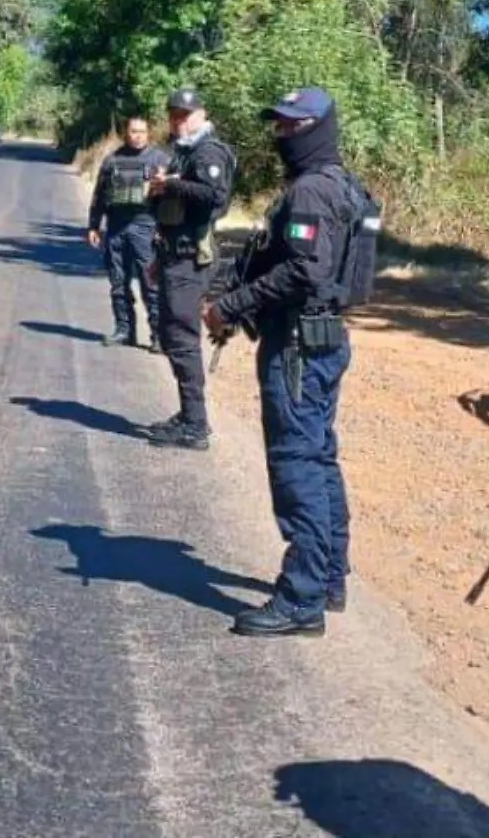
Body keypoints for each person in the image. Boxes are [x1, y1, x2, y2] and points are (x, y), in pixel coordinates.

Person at [205, 87, 377, 638]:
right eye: (278, 125)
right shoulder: (340, 184)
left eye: (293, 126)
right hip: (320, 341)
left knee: (297, 463)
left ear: (318, 128)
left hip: (300, 346)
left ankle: (302, 597)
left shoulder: (310, 192)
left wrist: (231, 305)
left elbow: (305, 271)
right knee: (319, 457)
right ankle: (328, 577)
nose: (282, 135)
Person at [144, 87, 237, 451]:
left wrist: (172, 185)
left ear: (201, 114)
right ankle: (187, 415)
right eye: (173, 115)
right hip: (172, 256)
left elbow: (216, 197)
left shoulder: (208, 152)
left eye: (184, 115)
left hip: (189, 261)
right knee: (171, 335)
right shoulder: (183, 153)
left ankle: (196, 425)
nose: (178, 121)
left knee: (181, 338)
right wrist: (157, 257)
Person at [87, 116, 171, 351]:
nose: (137, 136)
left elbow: (171, 199)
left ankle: (157, 335)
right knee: (118, 282)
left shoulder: (160, 159)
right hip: (116, 227)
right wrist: (93, 225)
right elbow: (100, 195)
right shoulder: (112, 160)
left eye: (142, 131)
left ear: (148, 133)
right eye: (133, 131)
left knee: (150, 283)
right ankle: (124, 330)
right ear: (126, 132)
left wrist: (166, 231)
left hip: (146, 227)